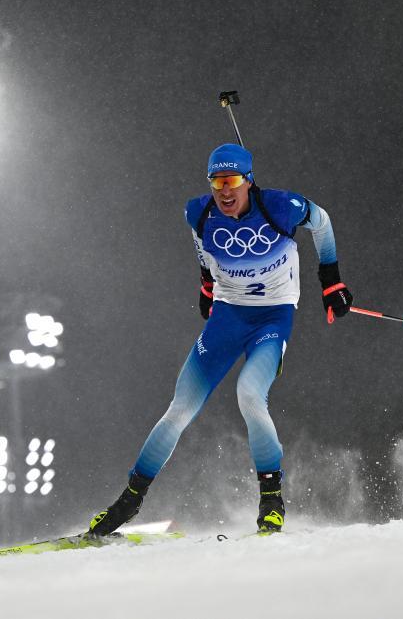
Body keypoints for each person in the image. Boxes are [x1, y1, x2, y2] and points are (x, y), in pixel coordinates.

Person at [87, 143, 352, 535]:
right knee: (180, 408)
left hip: (272, 318)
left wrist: (331, 281)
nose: (224, 191)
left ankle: (272, 500)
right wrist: (207, 285)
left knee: (250, 394)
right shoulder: (198, 213)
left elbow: (323, 222)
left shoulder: (280, 207)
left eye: (232, 181)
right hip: (228, 317)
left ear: (248, 180)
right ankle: (128, 501)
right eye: (216, 182)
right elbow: (203, 251)